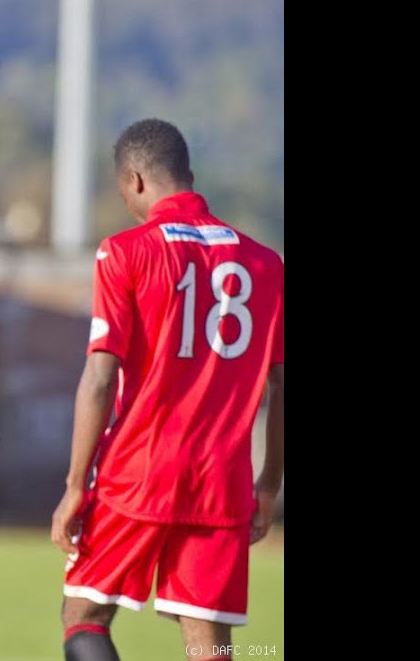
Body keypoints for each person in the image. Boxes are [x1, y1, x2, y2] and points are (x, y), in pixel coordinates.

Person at [49, 119, 285, 661]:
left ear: (134, 180)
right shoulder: (266, 264)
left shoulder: (125, 251)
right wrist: (268, 485)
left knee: (83, 617)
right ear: (188, 176)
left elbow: (100, 376)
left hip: (138, 472)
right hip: (221, 482)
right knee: (209, 646)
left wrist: (75, 486)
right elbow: (280, 386)